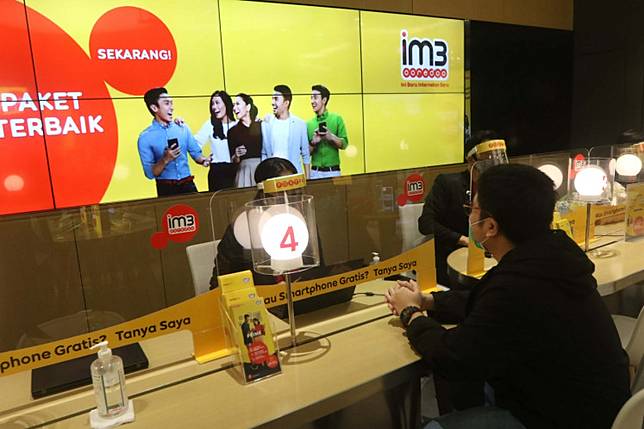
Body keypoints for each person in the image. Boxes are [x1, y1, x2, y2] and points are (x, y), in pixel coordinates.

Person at [386, 164, 630, 429]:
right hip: (591, 406)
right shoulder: (550, 256)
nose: (469, 215)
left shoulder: (519, 282)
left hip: (560, 417)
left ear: (490, 226)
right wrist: (429, 301)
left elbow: (454, 357)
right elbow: (487, 302)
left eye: (473, 209)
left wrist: (411, 314)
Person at [418, 130, 498, 286]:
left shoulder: (497, 187)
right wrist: (464, 240)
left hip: (490, 257)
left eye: (495, 158)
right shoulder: (447, 183)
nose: (492, 164)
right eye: (487, 159)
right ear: (471, 160)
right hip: (452, 258)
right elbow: (425, 223)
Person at [137, 87, 210, 197]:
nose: (172, 108)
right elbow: (150, 173)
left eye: (172, 103)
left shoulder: (182, 128)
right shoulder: (145, 138)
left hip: (188, 185)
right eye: (167, 103)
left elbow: (196, 154)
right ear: (154, 108)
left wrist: (205, 160)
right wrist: (165, 159)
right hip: (166, 189)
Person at [261, 85, 311, 177]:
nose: (272, 102)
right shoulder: (266, 124)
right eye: (272, 98)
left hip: (293, 174)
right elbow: (264, 153)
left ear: (286, 103)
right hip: (273, 175)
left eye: (276, 99)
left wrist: (308, 179)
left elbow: (305, 154)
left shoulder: (300, 124)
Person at [194, 90, 238, 192]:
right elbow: (194, 143)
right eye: (212, 104)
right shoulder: (210, 125)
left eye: (217, 103)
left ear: (226, 104)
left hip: (235, 169)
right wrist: (203, 159)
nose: (214, 107)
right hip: (217, 172)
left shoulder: (237, 125)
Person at [306, 84, 348, 179]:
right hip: (315, 173)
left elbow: (345, 144)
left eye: (315, 98)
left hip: (333, 172)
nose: (312, 101)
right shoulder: (308, 124)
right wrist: (313, 143)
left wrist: (331, 137)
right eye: (311, 98)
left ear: (324, 100)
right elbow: (306, 153)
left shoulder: (337, 119)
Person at [228, 93, 263, 188]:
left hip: (262, 169)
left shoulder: (262, 126)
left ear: (248, 107)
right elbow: (233, 160)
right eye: (233, 105)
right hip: (244, 172)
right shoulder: (232, 131)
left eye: (237, 104)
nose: (234, 108)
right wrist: (236, 155)